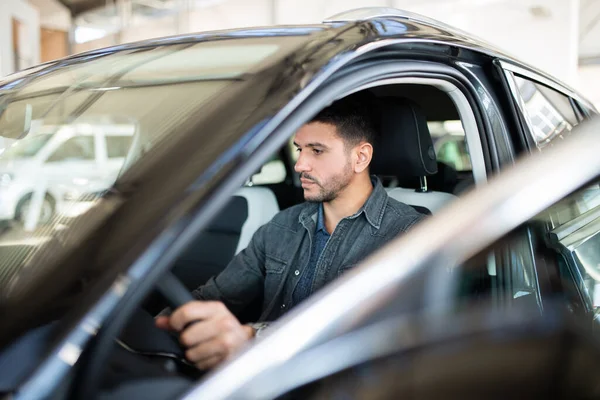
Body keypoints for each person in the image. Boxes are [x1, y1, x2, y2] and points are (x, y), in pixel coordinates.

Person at [156, 94, 425, 370]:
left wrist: (253, 337)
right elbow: (217, 295)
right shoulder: (281, 225)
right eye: (299, 149)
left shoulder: (409, 235)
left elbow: (377, 336)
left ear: (360, 157)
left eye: (317, 151)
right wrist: (160, 328)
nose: (300, 165)